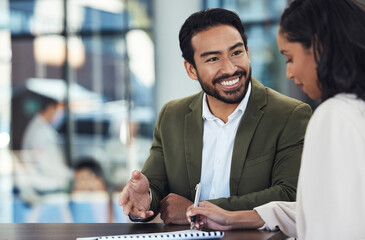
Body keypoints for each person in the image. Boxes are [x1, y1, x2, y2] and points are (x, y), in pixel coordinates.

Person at [186, 0, 365, 239]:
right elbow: (318, 209)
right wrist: (233, 218)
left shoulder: (333, 115)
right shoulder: (354, 109)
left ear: (319, 47)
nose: (289, 73)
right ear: (191, 68)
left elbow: (331, 227)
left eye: (290, 58)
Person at [119, 8, 312, 225]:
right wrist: (145, 199)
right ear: (191, 69)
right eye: (213, 59)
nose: (230, 68)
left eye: (236, 53)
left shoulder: (289, 115)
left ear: (247, 52)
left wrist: (196, 209)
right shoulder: (171, 116)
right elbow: (154, 186)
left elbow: (289, 196)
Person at [17, 94, 72, 204]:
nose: (60, 114)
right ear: (51, 108)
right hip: (42, 182)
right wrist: (68, 175)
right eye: (59, 110)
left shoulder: (40, 128)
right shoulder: (40, 132)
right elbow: (46, 164)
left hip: (43, 179)